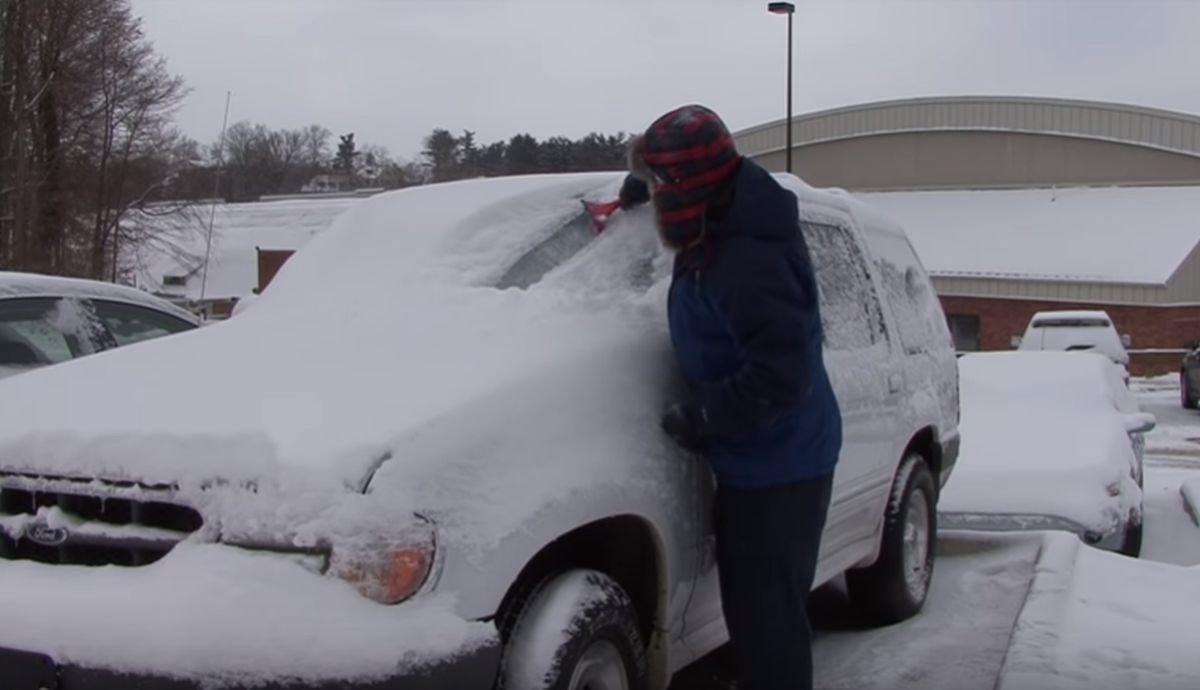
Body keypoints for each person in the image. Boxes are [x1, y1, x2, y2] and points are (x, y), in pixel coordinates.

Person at [626, 104, 843, 690]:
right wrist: (641, 184)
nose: (658, 192)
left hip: (779, 459)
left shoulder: (748, 257)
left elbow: (781, 375)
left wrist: (704, 416)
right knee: (755, 605)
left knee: (766, 619)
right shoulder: (724, 208)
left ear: (691, 183)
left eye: (663, 179)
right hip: (762, 451)